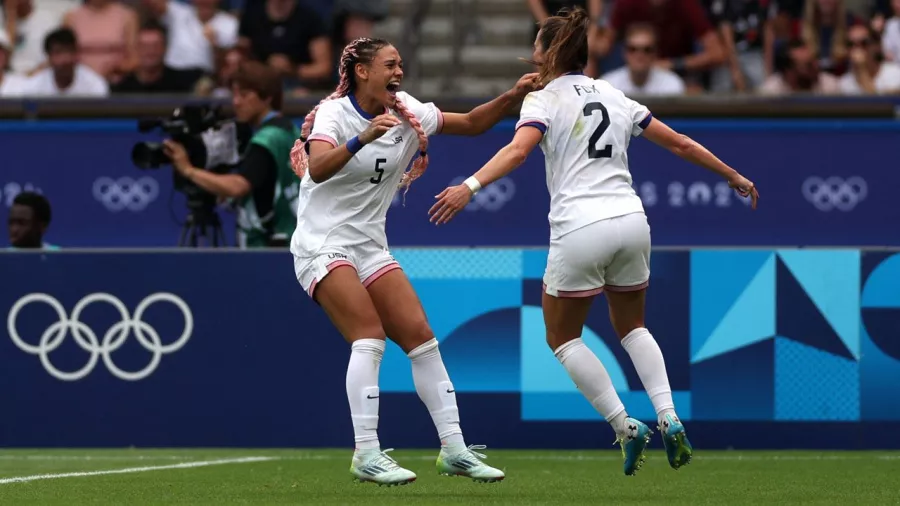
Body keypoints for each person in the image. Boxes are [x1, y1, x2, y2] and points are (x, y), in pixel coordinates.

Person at [429, 8, 759, 476]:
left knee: (562, 337)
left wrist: (470, 186)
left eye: (538, 46)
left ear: (548, 54)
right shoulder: (613, 92)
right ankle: (669, 415)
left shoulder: (543, 100)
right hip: (631, 221)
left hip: (580, 226)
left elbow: (518, 150)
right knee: (633, 327)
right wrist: (733, 175)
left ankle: (625, 425)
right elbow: (681, 143)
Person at [288, 36, 539, 486]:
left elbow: (472, 123)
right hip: (321, 243)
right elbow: (318, 166)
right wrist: (362, 137)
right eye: (390, 64)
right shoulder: (334, 114)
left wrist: (512, 97)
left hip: (368, 246)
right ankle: (366, 453)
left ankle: (454, 450)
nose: (399, 71)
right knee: (368, 336)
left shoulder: (407, 110)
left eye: (400, 63)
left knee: (422, 339)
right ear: (362, 71)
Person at [163, 61, 300, 247]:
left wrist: (188, 170)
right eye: (234, 95)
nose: (236, 102)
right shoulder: (289, 130)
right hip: (290, 241)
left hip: (264, 248)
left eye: (244, 95)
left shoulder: (267, 139)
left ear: (267, 97)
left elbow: (238, 186)